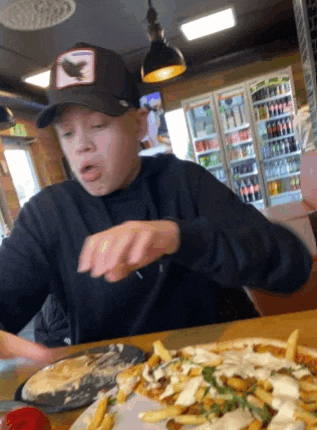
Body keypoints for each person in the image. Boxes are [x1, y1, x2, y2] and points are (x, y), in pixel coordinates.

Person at [0, 42, 312, 361]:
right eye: (66, 134)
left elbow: (291, 265)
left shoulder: (183, 182)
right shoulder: (47, 215)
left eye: (98, 126)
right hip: (107, 394)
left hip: (210, 371)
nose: (81, 146)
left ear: (139, 124)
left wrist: (176, 236)